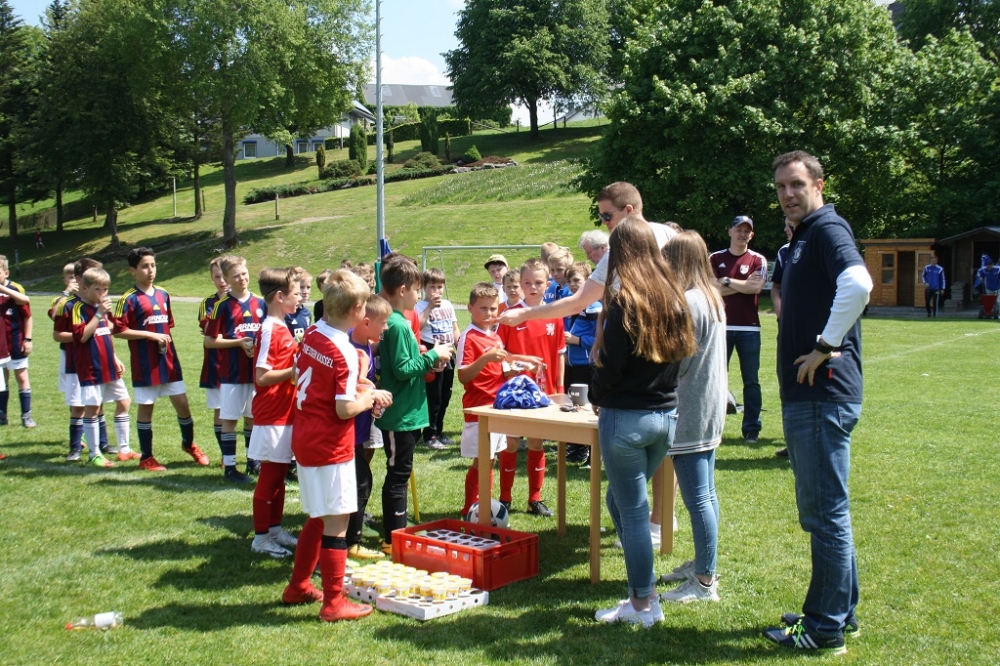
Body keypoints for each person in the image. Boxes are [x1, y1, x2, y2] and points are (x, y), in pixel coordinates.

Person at [762, 150, 872, 655]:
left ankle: (825, 628)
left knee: (824, 514)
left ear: (819, 185)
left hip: (821, 394)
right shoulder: (805, 235)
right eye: (781, 187)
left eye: (797, 185)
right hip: (812, 395)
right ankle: (841, 612)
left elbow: (859, 283)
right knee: (828, 512)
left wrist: (825, 345)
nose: (788, 194)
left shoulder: (827, 228)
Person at [591, 217, 696, 627]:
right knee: (620, 502)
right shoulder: (675, 297)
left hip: (627, 420)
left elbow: (611, 364)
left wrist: (597, 393)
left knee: (633, 513)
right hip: (664, 418)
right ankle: (645, 594)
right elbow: (682, 357)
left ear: (620, 253)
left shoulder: (626, 301)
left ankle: (642, 603)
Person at [281, 269, 391, 622]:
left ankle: (298, 585)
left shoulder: (314, 331)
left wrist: (358, 384)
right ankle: (333, 602)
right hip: (330, 443)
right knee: (337, 523)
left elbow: (310, 378)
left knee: (319, 516)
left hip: (306, 435)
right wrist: (369, 396)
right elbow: (344, 409)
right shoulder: (343, 349)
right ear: (358, 310)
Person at [658, 230, 728, 604]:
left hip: (691, 408)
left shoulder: (687, 302)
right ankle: (704, 563)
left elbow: (678, 362)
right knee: (706, 493)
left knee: (698, 496)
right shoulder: (710, 296)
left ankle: (703, 582)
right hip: (709, 405)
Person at [498, 182, 675, 329]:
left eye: (607, 215)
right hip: (673, 332)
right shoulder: (668, 233)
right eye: (601, 216)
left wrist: (525, 313)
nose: (604, 222)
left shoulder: (621, 248)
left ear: (628, 210)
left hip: (641, 335)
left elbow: (578, 303)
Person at [376, 257, 453, 555]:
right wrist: (433, 354)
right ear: (402, 290)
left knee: (402, 473)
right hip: (399, 415)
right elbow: (402, 369)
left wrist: (427, 359)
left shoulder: (402, 321)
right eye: (417, 290)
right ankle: (392, 538)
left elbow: (410, 362)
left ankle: (398, 532)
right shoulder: (396, 324)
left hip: (409, 413)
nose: (419, 295)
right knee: (397, 476)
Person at [113, 248, 207, 471]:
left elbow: (167, 326)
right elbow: (118, 331)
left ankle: (188, 444)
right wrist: (150, 335)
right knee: (146, 408)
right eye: (144, 266)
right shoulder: (128, 299)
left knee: (182, 404)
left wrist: (160, 338)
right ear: (132, 271)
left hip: (169, 361)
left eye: (153, 265)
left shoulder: (163, 294)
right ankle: (146, 458)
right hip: (145, 363)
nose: (150, 270)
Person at [497, 258, 565, 517]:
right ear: (520, 284)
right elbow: (499, 353)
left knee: (537, 442)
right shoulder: (511, 316)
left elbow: (560, 354)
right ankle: (505, 498)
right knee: (512, 442)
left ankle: (534, 499)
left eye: (538, 282)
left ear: (548, 284)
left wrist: (560, 386)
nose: (533, 287)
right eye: (527, 283)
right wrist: (520, 360)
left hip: (544, 391)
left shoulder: (554, 315)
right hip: (515, 391)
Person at [248, 268, 301, 558]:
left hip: (285, 412)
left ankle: (274, 530)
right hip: (272, 414)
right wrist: (292, 371)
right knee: (269, 477)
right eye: (295, 294)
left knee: (280, 475)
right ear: (279, 297)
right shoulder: (270, 329)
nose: (300, 299)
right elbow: (262, 376)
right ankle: (260, 538)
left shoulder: (281, 326)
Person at [204, 255, 266, 483]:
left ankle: (252, 462)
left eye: (244, 273)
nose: (242, 279)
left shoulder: (261, 303)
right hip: (231, 373)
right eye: (236, 276)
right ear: (227, 279)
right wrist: (238, 343)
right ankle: (230, 467)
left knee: (252, 417)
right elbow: (209, 341)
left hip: (255, 372)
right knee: (229, 419)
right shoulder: (221, 306)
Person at [71, 267, 136, 468]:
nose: (102, 293)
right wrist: (99, 314)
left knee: (124, 401)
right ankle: (94, 454)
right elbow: (82, 336)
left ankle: (124, 449)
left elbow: (107, 333)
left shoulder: (102, 309)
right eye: (98, 289)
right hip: (90, 367)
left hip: (108, 365)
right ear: (85, 288)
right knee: (93, 408)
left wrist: (114, 357)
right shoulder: (78, 309)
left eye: (105, 289)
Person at [456, 283, 511, 516]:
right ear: (470, 308)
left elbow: (500, 369)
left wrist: (515, 369)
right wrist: (486, 358)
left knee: (491, 459)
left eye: (493, 308)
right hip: (478, 408)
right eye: (483, 308)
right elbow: (463, 375)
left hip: (495, 406)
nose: (489, 313)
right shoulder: (468, 337)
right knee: (482, 461)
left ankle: (482, 506)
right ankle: (472, 508)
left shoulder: (495, 336)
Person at [710, 215, 766, 443]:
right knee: (716, 379)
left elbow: (756, 288)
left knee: (751, 380)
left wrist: (726, 281)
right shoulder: (715, 258)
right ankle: (714, 426)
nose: (742, 234)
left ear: (751, 235)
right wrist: (743, 285)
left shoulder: (757, 259)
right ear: (730, 231)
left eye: (746, 231)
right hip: (721, 326)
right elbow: (711, 288)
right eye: (738, 230)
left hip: (749, 328)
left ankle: (751, 428)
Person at [346, 294, 392, 561]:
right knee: (361, 482)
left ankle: (348, 535)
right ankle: (350, 541)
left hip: (359, 430)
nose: (386, 327)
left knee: (360, 480)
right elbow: (349, 389)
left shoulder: (365, 346)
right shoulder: (350, 350)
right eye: (383, 323)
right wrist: (373, 393)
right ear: (366, 323)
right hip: (346, 432)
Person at [54, 258, 111, 461]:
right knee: (78, 404)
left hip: (96, 360)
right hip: (75, 361)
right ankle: (75, 447)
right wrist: (81, 336)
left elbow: (105, 331)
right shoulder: (68, 305)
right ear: (80, 280)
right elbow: (58, 334)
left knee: (98, 403)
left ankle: (102, 443)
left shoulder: (98, 304)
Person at [415, 267, 460, 450]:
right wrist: (430, 307)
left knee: (445, 395)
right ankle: (430, 435)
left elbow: (454, 328)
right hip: (432, 353)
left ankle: (439, 431)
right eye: (432, 287)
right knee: (433, 396)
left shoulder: (448, 305)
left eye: (440, 287)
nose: (436, 291)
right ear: (424, 287)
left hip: (448, 353)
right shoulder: (419, 307)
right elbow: (417, 326)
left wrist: (460, 346)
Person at [563, 261, 601, 465]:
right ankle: (578, 448)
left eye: (577, 280)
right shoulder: (570, 305)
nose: (573, 284)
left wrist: (577, 341)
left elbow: (600, 339)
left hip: (587, 364)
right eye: (570, 281)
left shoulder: (594, 307)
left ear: (588, 281)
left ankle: (593, 452)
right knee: (574, 405)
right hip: (572, 364)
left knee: (587, 407)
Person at [198, 257, 230, 457]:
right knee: (220, 410)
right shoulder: (208, 303)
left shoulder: (245, 301)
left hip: (240, 364)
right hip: (216, 363)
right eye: (217, 277)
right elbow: (209, 329)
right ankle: (225, 455)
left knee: (248, 411)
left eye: (225, 276)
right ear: (212, 278)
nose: (222, 281)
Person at [0, 255, 35, 427]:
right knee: (2, 380)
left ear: (6, 273)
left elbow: (27, 314)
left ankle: (26, 415)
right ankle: (2, 415)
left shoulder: (15, 289)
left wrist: (27, 339)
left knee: (21, 377)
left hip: (16, 342)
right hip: (1, 346)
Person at [770, 221, 794, 458]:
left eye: (789, 225)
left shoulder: (816, 247)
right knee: (785, 379)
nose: (786, 229)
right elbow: (776, 286)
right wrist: (780, 311)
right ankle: (791, 439)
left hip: (811, 330)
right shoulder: (784, 252)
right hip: (785, 326)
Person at [284, 266, 313, 340]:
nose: (305, 291)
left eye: (308, 287)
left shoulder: (307, 313)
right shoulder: (286, 313)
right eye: (301, 287)